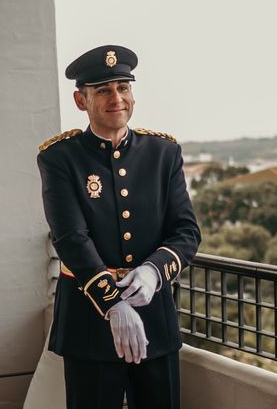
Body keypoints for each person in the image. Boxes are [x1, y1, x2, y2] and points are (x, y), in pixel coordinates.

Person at [37, 44, 201, 409]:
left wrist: (153, 271)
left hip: (154, 315)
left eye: (123, 87)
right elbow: (70, 238)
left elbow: (186, 231)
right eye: (103, 90)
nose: (117, 98)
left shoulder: (163, 153)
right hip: (89, 319)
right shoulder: (59, 158)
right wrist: (112, 304)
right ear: (81, 100)